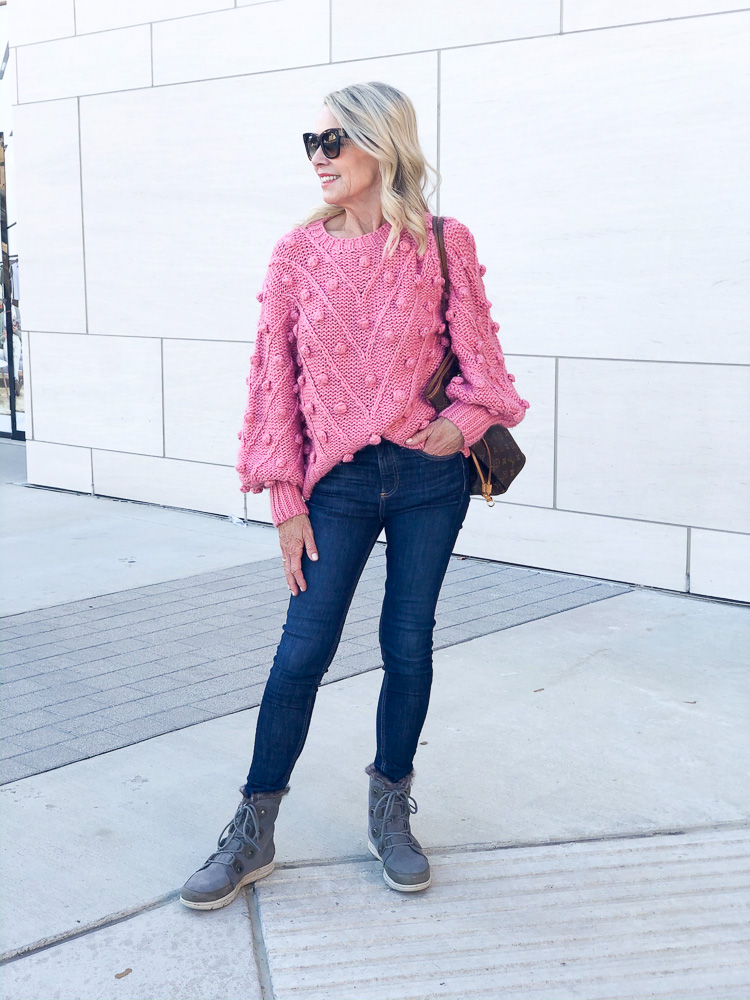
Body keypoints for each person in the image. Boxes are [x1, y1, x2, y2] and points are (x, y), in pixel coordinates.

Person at [180, 81, 530, 910]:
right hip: (332, 487)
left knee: (408, 642)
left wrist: (462, 421)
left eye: (333, 142)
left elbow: (483, 365)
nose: (318, 157)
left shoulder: (443, 242)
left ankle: (390, 809)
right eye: (311, 142)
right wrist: (285, 501)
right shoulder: (295, 257)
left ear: (382, 145)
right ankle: (253, 827)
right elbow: (274, 387)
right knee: (303, 649)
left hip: (427, 482)